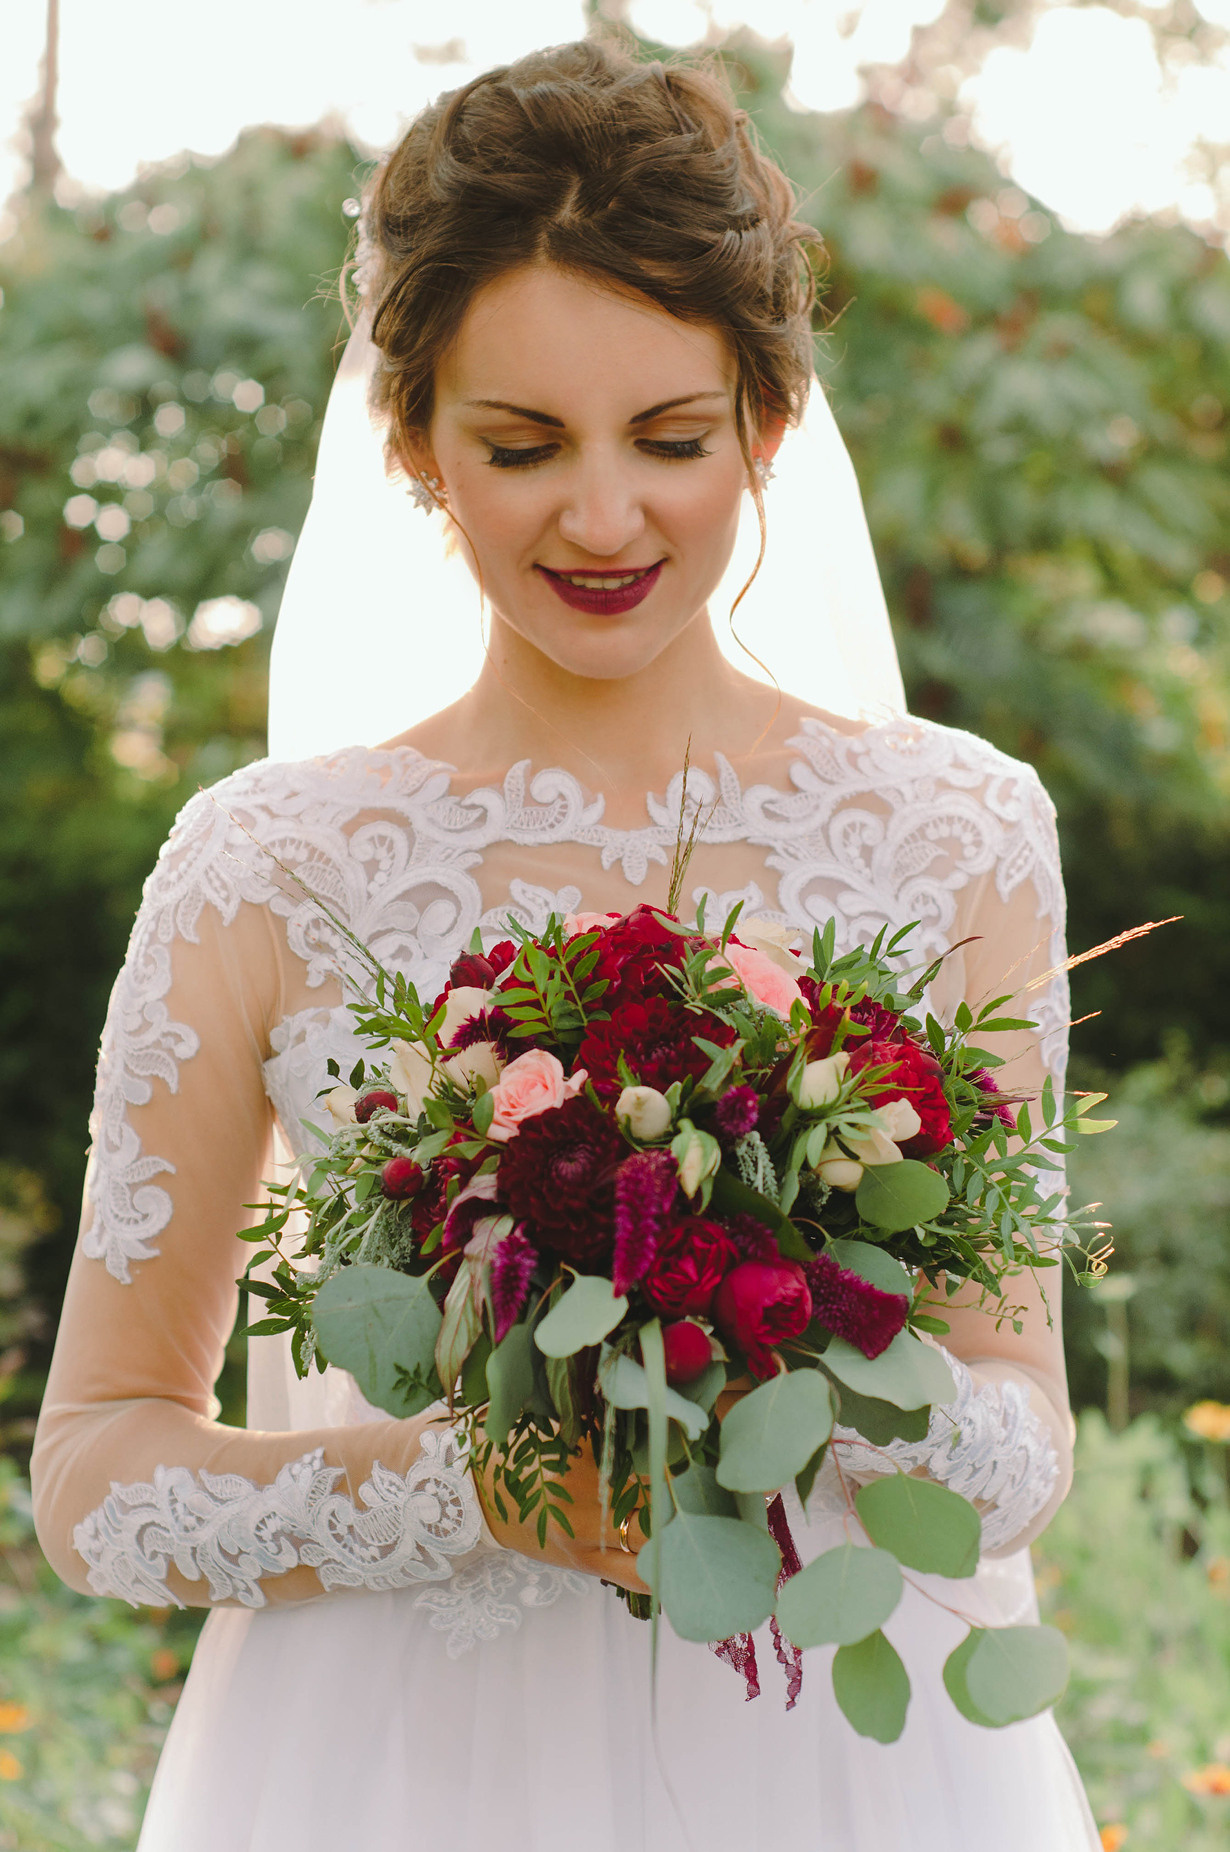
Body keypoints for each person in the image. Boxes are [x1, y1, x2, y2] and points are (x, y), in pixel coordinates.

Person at [31, 39, 1100, 1851]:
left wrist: (787, 1376)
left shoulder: (958, 835)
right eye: (520, 446)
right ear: (414, 447)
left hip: (844, 1769)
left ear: (765, 422)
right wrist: (476, 1488)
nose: (602, 517)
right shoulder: (263, 870)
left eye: (669, 440)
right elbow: (97, 1472)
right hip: (393, 1773)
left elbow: (1020, 1433)